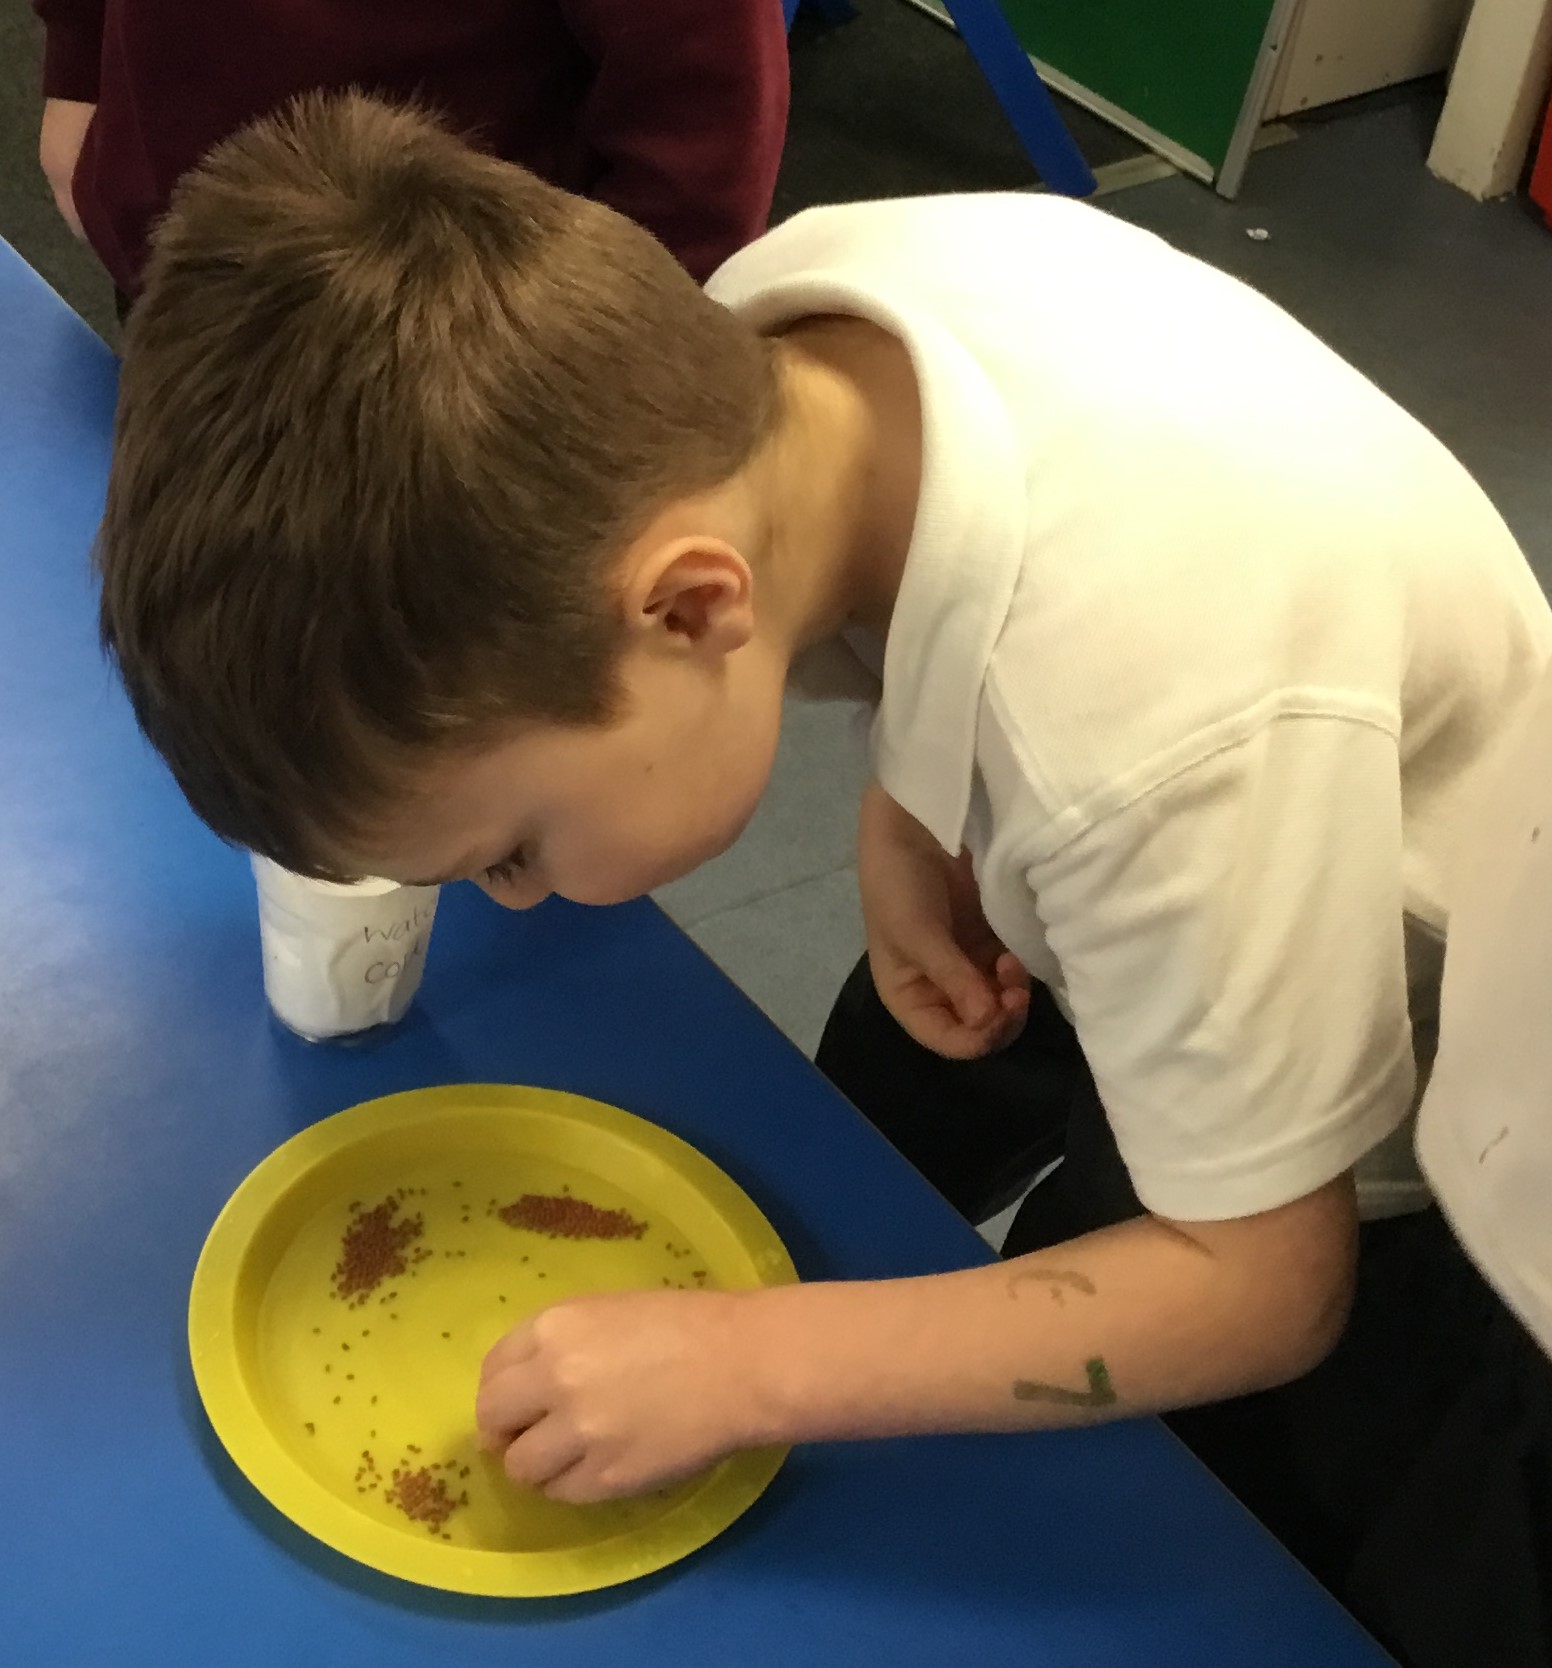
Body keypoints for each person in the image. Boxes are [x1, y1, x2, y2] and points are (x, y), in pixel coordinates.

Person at [96, 95, 1550, 1660]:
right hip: (1164, 864)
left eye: (507, 852)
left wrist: (746, 1367)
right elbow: (947, 581)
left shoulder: (1147, 742)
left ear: (690, 609)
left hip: (1434, 1132)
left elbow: (1262, 1288)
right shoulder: (776, 341)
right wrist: (918, 806)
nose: (512, 899)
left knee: (1248, 1537)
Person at [31, 0, 788, 291]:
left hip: (435, 354)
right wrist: (77, 59)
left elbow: (706, 139)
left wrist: (577, 369)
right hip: (172, 242)